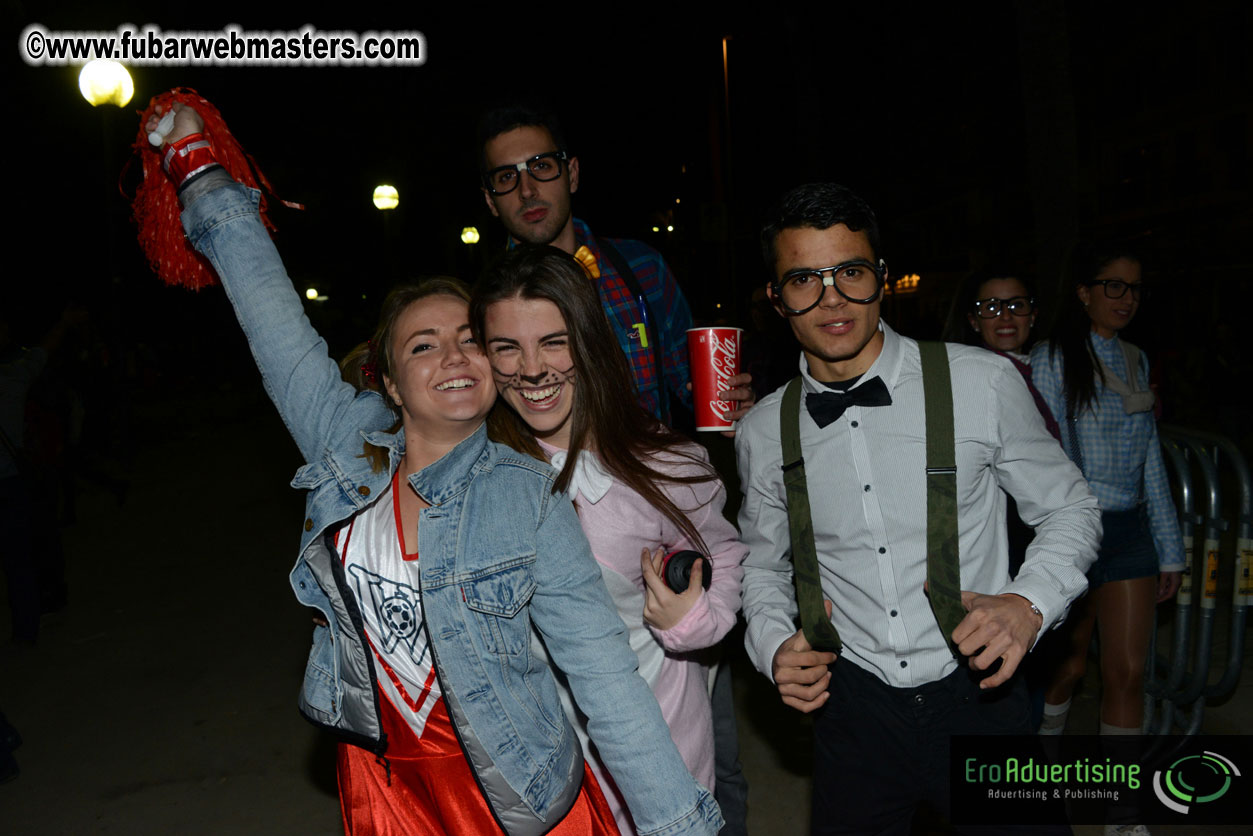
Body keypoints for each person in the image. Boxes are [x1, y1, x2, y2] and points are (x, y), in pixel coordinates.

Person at [145, 101, 722, 836]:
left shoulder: (529, 496)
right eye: (423, 345)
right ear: (385, 380)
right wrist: (201, 177)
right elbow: (274, 322)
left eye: (470, 339)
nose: (454, 355)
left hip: (516, 788)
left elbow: (605, 681)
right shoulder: (344, 441)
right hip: (385, 789)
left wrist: (680, 824)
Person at [736, 182, 1102, 834]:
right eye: (802, 279)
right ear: (775, 299)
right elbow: (761, 564)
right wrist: (770, 645)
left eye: (849, 272)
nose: (831, 299)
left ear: (880, 278)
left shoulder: (980, 381)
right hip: (851, 712)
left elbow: (1069, 507)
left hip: (980, 696)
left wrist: (1028, 603)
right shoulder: (763, 430)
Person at [471, 246, 746, 835]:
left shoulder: (665, 463)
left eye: (553, 341)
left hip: (657, 733)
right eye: (507, 348)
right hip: (534, 756)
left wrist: (694, 616)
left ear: (590, 343)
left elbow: (725, 551)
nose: (533, 369)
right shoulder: (475, 475)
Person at [1029, 245, 1184, 748]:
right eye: (1112, 286)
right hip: (1072, 529)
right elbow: (1038, 457)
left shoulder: (1136, 361)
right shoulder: (1051, 360)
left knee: (1127, 671)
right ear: (1083, 293)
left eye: (1134, 288)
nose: (1126, 298)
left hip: (1129, 533)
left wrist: (1170, 550)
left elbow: (1150, 461)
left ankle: (1122, 812)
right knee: (1068, 667)